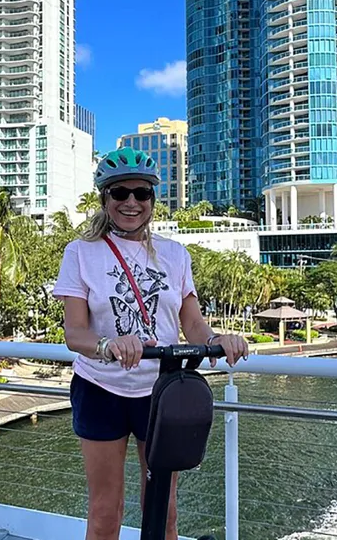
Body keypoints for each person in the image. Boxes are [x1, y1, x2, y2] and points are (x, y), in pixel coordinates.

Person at [53, 147, 249, 540]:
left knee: (164, 511)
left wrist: (216, 340)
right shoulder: (80, 252)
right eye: (120, 193)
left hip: (160, 393)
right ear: (104, 199)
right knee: (105, 513)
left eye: (141, 194)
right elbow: (75, 333)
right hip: (100, 389)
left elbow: (192, 322)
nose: (131, 202)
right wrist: (109, 345)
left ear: (153, 200)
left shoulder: (176, 254)